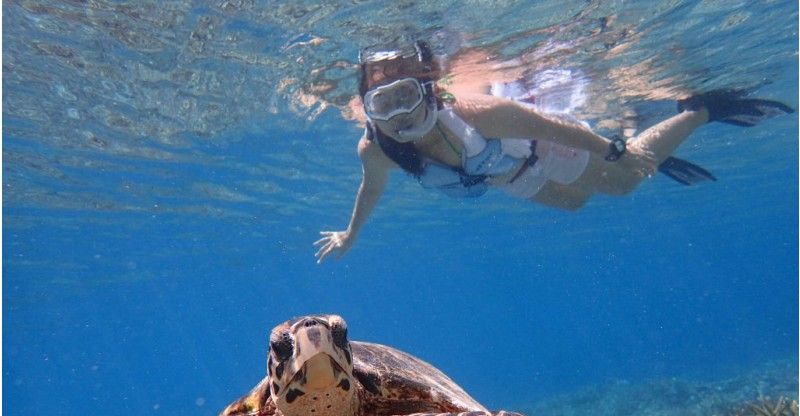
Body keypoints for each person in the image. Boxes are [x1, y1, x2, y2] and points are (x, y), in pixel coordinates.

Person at [315, 42, 793, 263]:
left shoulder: (476, 113)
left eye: (407, 96)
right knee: (575, 202)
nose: (398, 115)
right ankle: (640, 144)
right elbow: (370, 188)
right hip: (505, 176)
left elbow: (544, 124)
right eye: (383, 103)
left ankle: (699, 111)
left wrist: (613, 151)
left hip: (541, 148)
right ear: (366, 108)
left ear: (430, 93)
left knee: (626, 183)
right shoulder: (375, 149)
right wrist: (350, 234)